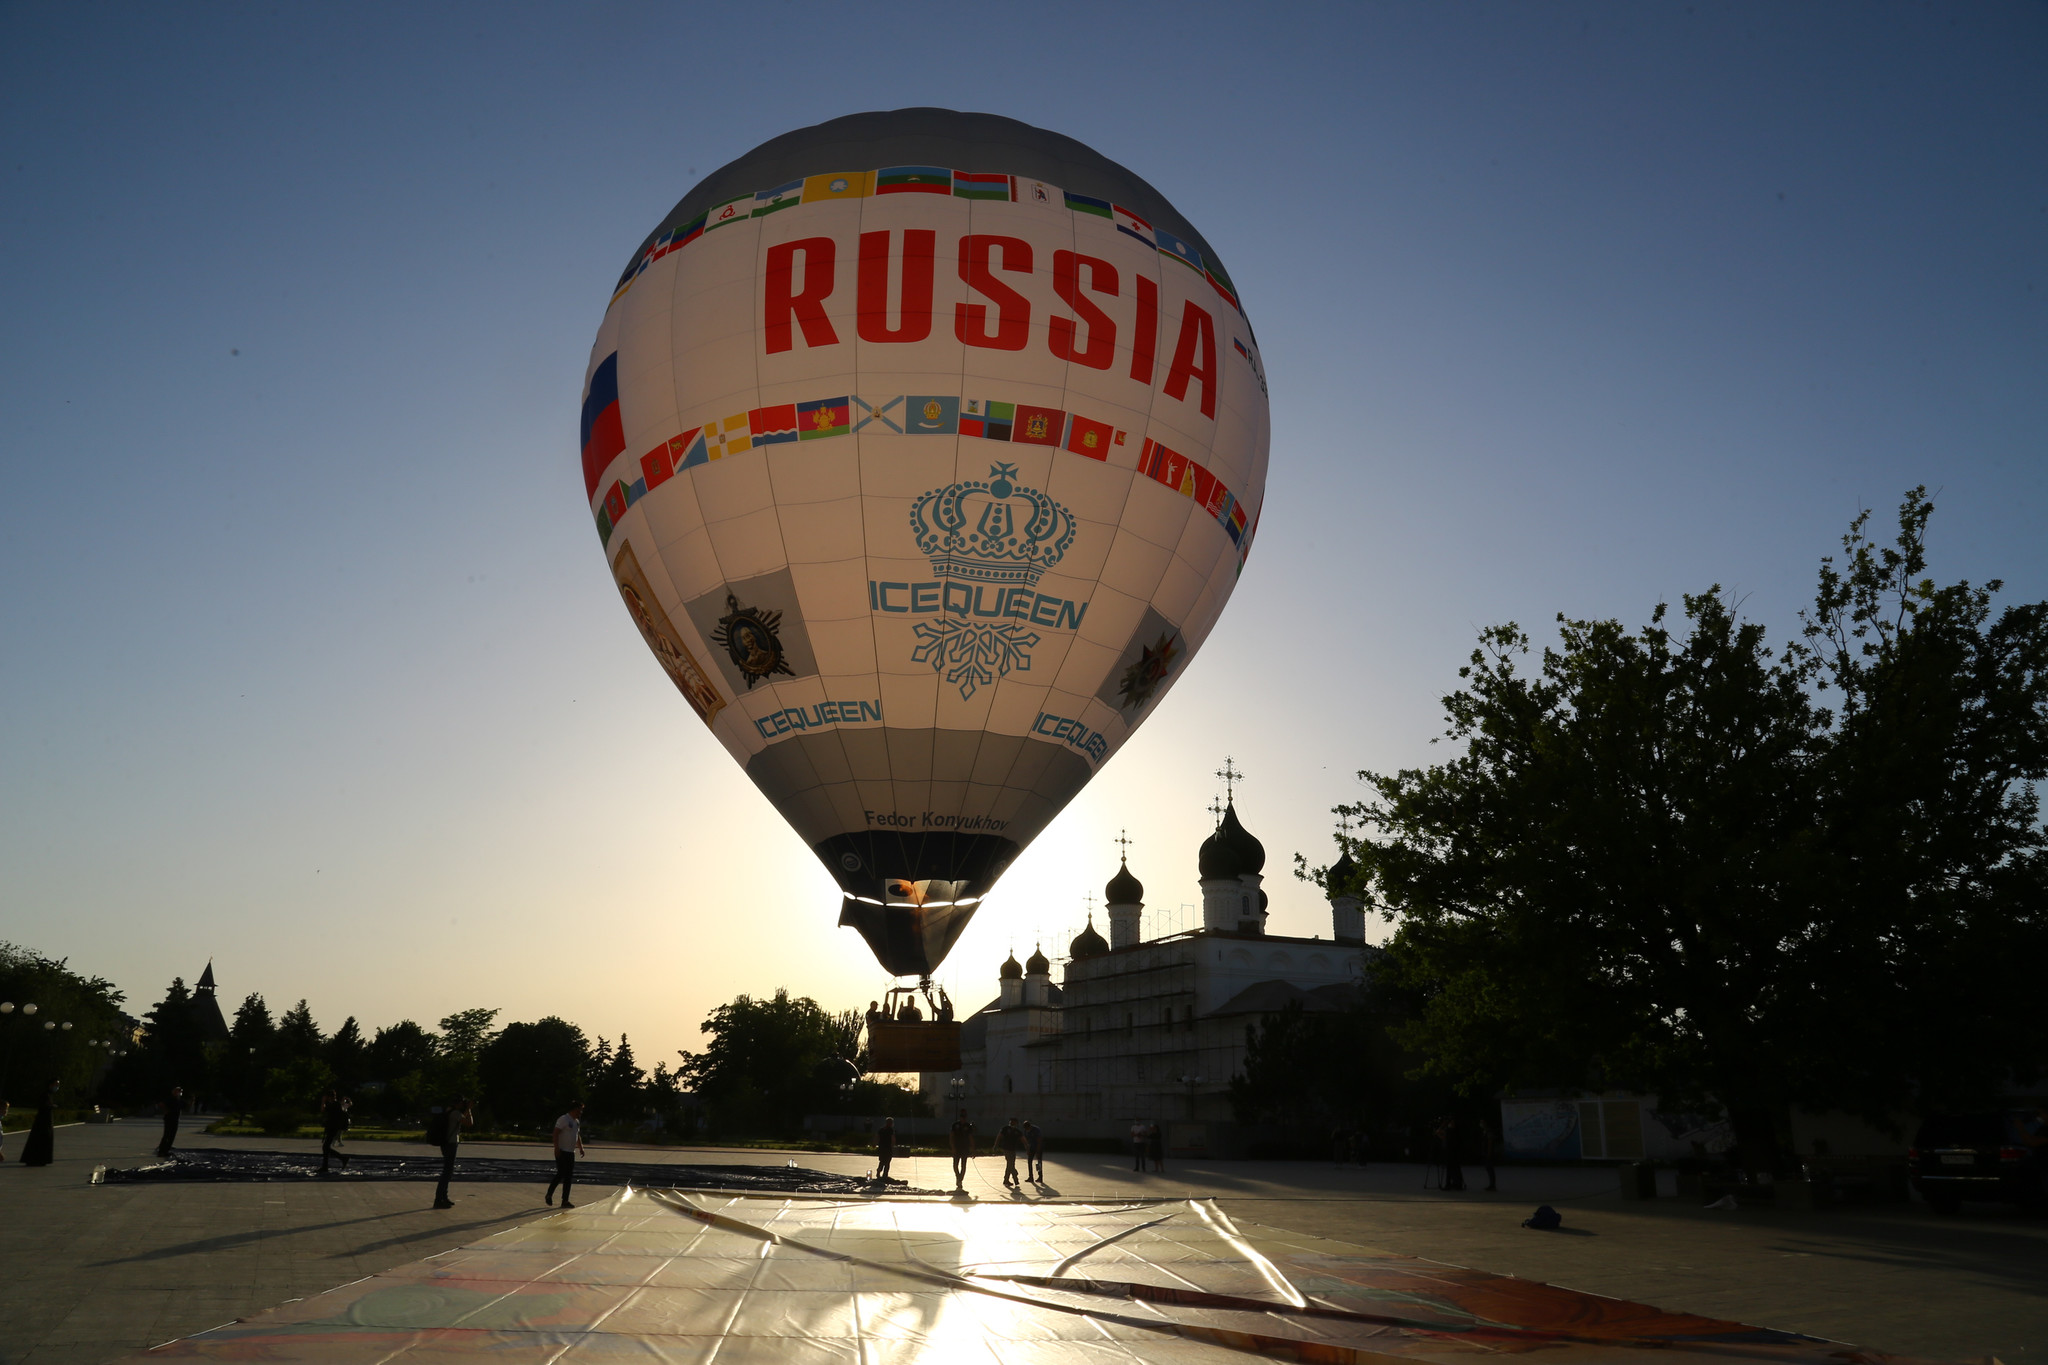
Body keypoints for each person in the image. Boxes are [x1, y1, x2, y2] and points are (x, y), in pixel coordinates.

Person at [429, 1096, 473, 1209]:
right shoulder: (456, 1113)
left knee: (447, 1171)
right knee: (447, 1172)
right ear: (458, 1104)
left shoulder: (447, 1111)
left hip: (445, 1142)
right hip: (451, 1143)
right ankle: (439, 1199)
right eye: (462, 1103)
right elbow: (469, 1123)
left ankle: (444, 1197)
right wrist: (469, 1109)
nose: (463, 1105)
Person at [546, 1101, 586, 1207]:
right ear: (574, 1109)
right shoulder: (563, 1119)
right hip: (561, 1151)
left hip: (570, 1152)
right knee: (561, 1174)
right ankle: (549, 1195)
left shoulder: (576, 1121)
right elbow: (555, 1133)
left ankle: (565, 1201)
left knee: (568, 1177)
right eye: (579, 1110)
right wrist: (556, 1148)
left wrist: (581, 1148)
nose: (581, 1112)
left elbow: (577, 1135)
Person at [21, 1083, 57, 1166]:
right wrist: (50, 1106)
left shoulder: (49, 1095)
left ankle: (41, 1159)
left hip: (46, 1121)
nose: (56, 1087)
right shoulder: (45, 1095)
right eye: (55, 1084)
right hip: (42, 1122)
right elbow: (43, 1105)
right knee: (39, 1140)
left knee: (44, 1140)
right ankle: (34, 1159)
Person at [318, 1090, 352, 1174]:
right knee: (325, 1148)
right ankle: (325, 1166)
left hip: (333, 1128)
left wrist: (323, 1101)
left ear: (329, 1097)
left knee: (325, 1147)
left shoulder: (334, 1104)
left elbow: (323, 1110)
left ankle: (342, 1159)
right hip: (332, 1128)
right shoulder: (335, 1104)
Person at [1437, 1116, 1466, 1191]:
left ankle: (1454, 1184)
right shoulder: (1450, 1131)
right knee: (1451, 1169)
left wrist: (1443, 1125)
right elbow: (1439, 1133)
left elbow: (1440, 1133)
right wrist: (1443, 1125)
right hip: (1451, 1153)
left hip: (1453, 1153)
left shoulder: (1452, 1132)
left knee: (1453, 1169)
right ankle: (1453, 1184)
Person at [948, 1108, 975, 1187]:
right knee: (955, 1165)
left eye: (964, 1116)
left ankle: (960, 1180)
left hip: (965, 1148)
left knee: (963, 1165)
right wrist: (952, 1147)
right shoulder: (955, 1125)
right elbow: (951, 1136)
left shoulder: (968, 1126)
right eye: (962, 1116)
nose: (963, 1118)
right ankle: (958, 1177)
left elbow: (971, 1138)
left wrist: (973, 1149)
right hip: (957, 1147)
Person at [157, 1085, 184, 1158]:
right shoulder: (170, 1098)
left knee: (172, 1135)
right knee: (167, 1135)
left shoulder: (179, 1099)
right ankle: (161, 1151)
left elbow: (185, 1107)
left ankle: (166, 1151)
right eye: (177, 1091)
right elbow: (161, 1104)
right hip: (169, 1119)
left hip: (175, 1119)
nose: (178, 1093)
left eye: (179, 1091)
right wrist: (166, 1111)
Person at [996, 1116, 1023, 1187]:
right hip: (1006, 1149)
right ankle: (1015, 1178)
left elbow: (1023, 1139)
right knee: (1010, 1164)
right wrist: (995, 1145)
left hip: (1012, 1150)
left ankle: (1006, 1180)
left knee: (1010, 1164)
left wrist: (1027, 1147)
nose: (1012, 1123)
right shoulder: (1005, 1129)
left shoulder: (1017, 1131)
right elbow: (999, 1136)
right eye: (1011, 1121)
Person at [1023, 1118, 1044, 1183]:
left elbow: (1039, 1140)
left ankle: (1040, 1177)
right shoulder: (1026, 1131)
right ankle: (1030, 1177)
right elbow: (1026, 1141)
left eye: (1027, 1128)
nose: (1027, 1130)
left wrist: (1038, 1151)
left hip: (1038, 1147)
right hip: (1031, 1148)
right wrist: (1027, 1149)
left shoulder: (1036, 1130)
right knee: (1029, 1162)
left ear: (1029, 1126)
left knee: (1038, 1163)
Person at [1481, 1118, 1499, 1192]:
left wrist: (1489, 1153)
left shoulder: (1489, 1132)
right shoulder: (1485, 1131)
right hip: (1486, 1152)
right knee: (1489, 1169)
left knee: (1490, 1169)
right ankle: (1491, 1184)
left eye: (1482, 1122)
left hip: (1489, 1153)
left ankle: (1492, 1185)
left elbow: (1490, 1143)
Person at [876, 1116, 895, 1181]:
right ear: (891, 1123)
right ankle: (885, 1175)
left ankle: (878, 1171)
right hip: (888, 1148)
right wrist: (892, 1146)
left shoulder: (881, 1129)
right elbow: (892, 1139)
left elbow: (877, 1137)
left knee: (882, 1161)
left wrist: (875, 1144)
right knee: (887, 1162)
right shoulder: (891, 1130)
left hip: (881, 1148)